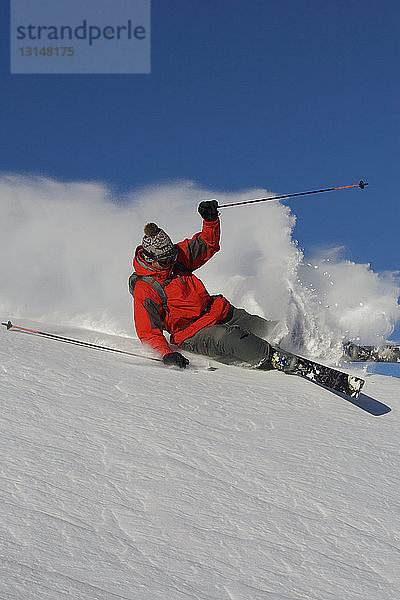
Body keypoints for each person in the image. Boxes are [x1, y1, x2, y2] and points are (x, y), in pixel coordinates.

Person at [130, 200, 280, 369]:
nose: (172, 262)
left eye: (172, 256)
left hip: (217, 311)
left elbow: (207, 244)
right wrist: (167, 353)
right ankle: (276, 359)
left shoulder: (176, 259)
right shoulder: (145, 289)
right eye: (165, 260)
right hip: (192, 333)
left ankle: (300, 344)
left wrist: (210, 220)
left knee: (264, 328)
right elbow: (148, 332)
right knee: (231, 337)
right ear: (151, 259)